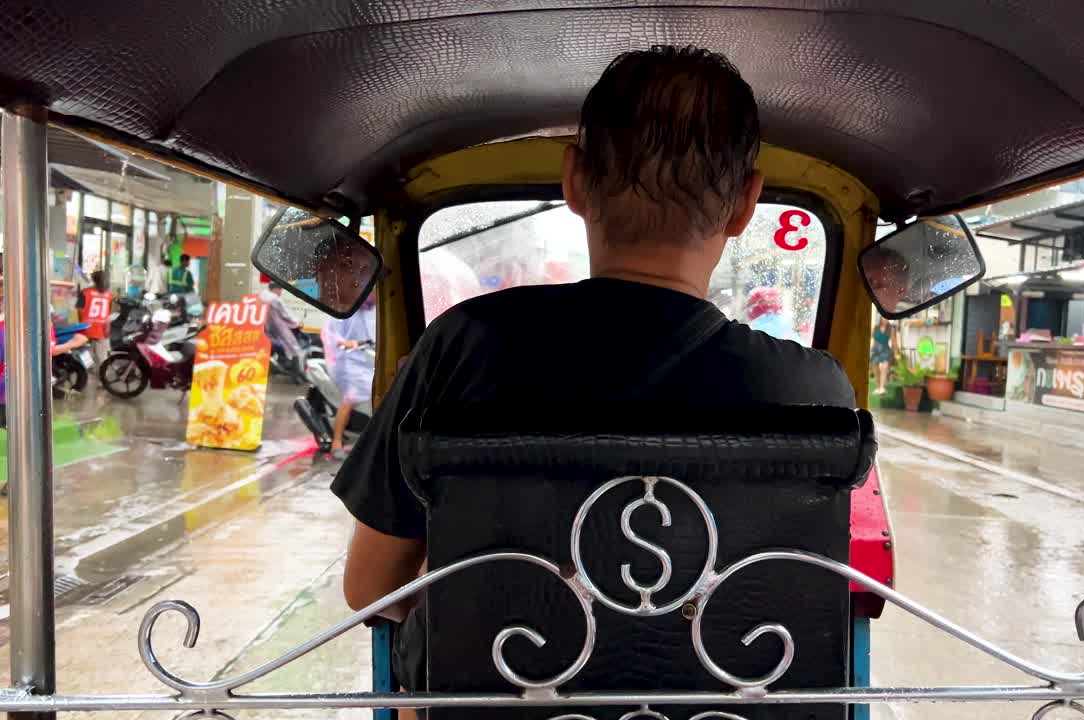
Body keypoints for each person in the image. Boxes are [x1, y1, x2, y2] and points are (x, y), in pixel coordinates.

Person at [329, 46, 857, 691]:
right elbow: (802, 609)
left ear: (574, 180)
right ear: (747, 204)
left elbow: (372, 591)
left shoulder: (462, 347)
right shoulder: (814, 389)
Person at [324, 295, 376, 460]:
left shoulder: (374, 310)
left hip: (366, 358)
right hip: (346, 361)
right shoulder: (344, 309)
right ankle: (336, 443)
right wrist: (346, 343)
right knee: (350, 398)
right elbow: (331, 334)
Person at [260, 282, 304, 376]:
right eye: (281, 289)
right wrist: (297, 322)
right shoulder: (275, 299)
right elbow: (286, 315)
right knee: (293, 348)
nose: (281, 292)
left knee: (270, 349)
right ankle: (295, 372)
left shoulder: (262, 296)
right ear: (276, 289)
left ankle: (271, 368)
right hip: (277, 328)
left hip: (264, 329)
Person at [76, 270, 113, 366]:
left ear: (94, 280)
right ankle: (102, 376)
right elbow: (107, 315)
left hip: (85, 329)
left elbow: (79, 311)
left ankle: (87, 371)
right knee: (102, 359)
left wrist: (80, 325)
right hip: (101, 330)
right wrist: (107, 331)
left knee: (84, 355)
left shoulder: (85, 292)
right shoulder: (109, 295)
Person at [871, 316, 897, 394]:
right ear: (881, 319)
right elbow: (870, 336)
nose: (885, 319)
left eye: (886, 318)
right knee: (876, 369)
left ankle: (882, 387)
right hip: (876, 351)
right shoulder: (875, 328)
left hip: (885, 350)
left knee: (884, 367)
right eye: (883, 318)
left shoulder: (890, 329)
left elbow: (893, 341)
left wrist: (895, 352)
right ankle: (878, 387)